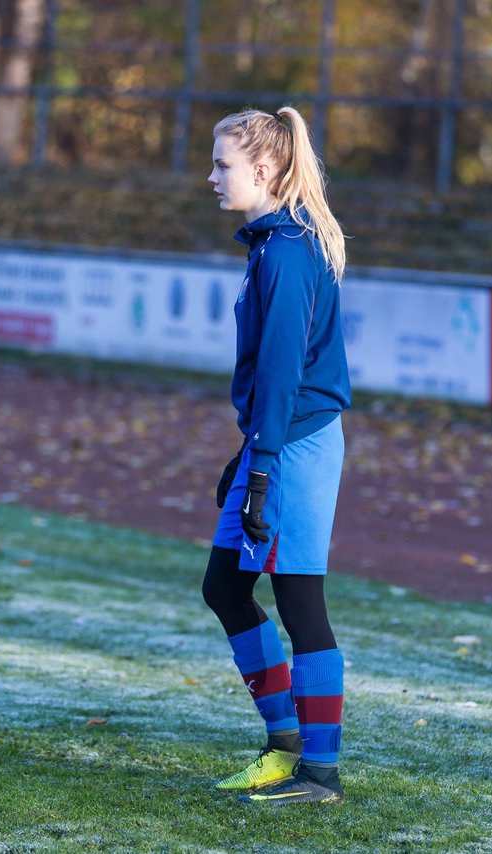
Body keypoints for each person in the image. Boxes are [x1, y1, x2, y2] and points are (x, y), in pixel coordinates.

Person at [202, 107, 351, 805]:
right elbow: (271, 375)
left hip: (297, 443)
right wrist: (249, 455)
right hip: (273, 438)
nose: (212, 177)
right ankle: (284, 745)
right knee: (224, 588)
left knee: (299, 601)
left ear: (261, 170)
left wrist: (261, 466)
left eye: (222, 164)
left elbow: (287, 370)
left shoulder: (288, 250)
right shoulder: (269, 244)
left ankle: (320, 773)